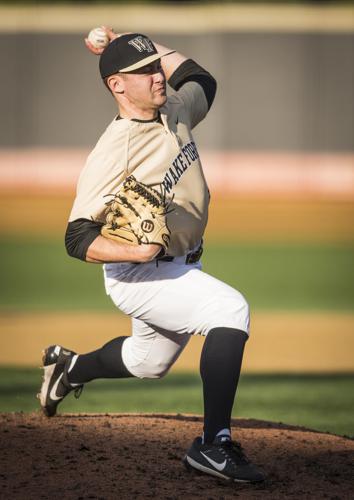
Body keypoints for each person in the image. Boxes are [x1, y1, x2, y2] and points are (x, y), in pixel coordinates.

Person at [38, 28, 265, 484]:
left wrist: (129, 40)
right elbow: (77, 237)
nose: (157, 75)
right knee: (230, 309)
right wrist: (133, 251)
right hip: (139, 274)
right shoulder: (113, 149)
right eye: (142, 72)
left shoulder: (175, 108)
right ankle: (212, 445)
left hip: (182, 263)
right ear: (117, 86)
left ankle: (69, 368)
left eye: (156, 67)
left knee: (149, 362)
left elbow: (201, 77)